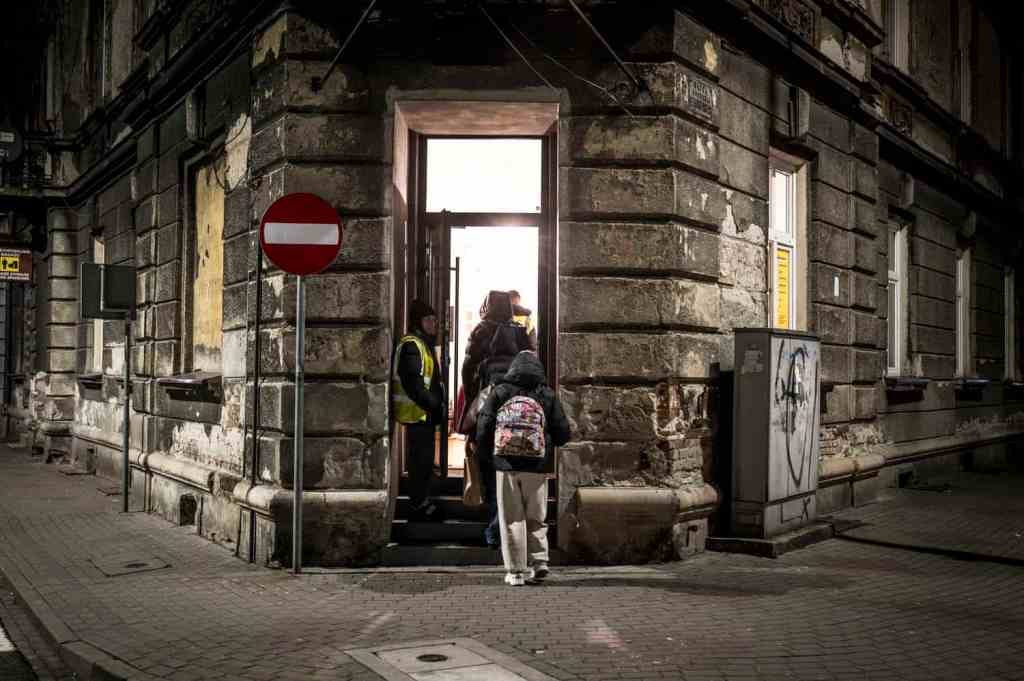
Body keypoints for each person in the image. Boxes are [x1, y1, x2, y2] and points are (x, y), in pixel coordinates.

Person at [477, 351, 570, 586]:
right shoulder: (547, 394)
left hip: (506, 465)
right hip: (537, 467)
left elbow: (484, 426)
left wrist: (490, 453)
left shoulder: (500, 391)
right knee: (536, 517)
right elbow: (563, 434)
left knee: (512, 518)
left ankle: (516, 572)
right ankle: (540, 562)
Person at [460, 291, 534, 547]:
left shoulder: (481, 331)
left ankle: (495, 527)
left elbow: (467, 369)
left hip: (488, 409)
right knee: (512, 467)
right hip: (517, 411)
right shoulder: (519, 332)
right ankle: (505, 528)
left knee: (489, 467)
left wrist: (473, 398)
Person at [392, 299, 445, 521]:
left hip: (424, 414)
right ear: (418, 322)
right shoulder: (413, 344)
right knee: (419, 462)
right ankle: (418, 505)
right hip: (417, 413)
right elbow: (413, 384)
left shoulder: (423, 344)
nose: (433, 324)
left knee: (423, 463)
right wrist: (434, 404)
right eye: (428, 320)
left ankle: (422, 501)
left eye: (435, 320)